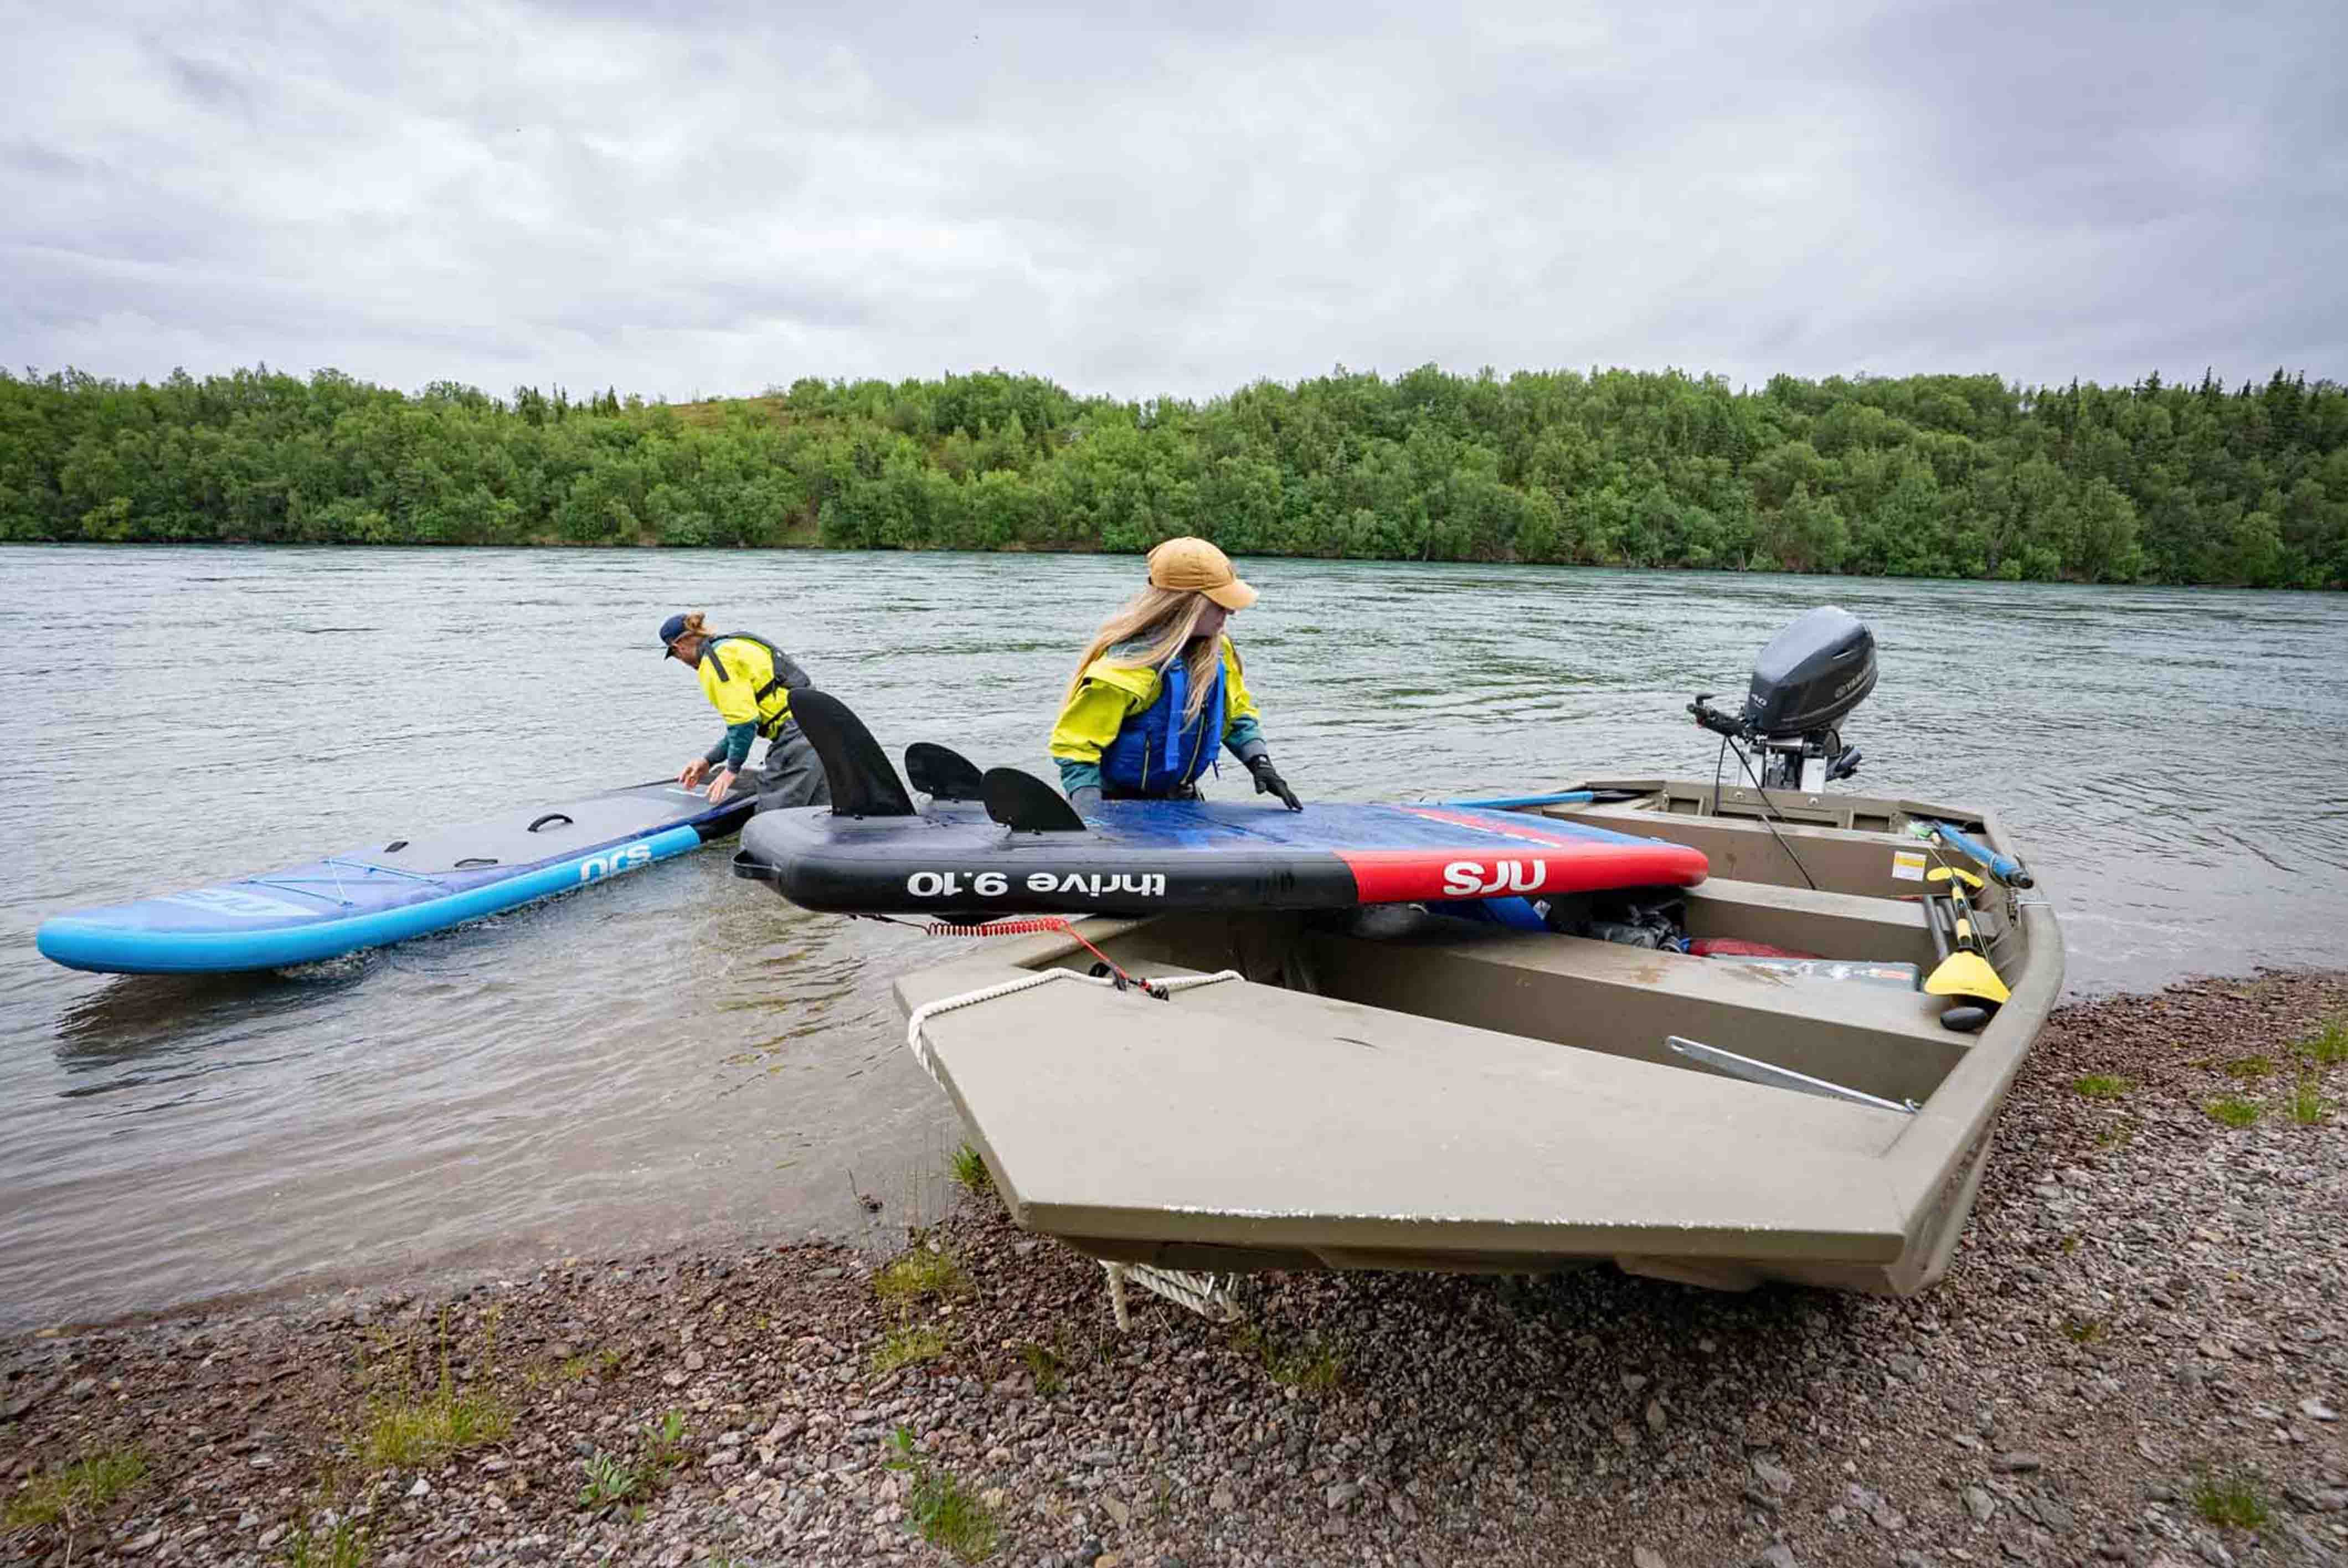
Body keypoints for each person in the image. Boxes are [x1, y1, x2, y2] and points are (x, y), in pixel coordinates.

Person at [1048, 537, 1302, 813]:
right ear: (1185, 605)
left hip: (1181, 802)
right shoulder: (1129, 667)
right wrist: (1089, 812)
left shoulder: (1219, 650)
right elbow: (1076, 747)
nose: (1231, 610)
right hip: (1119, 806)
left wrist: (1260, 763)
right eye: (1219, 603)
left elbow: (1236, 714)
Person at [658, 612, 832, 811]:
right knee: (817, 815)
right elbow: (743, 724)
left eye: (676, 655)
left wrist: (731, 770)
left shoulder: (714, 663)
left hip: (798, 740)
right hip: (822, 729)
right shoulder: (736, 644)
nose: (682, 661)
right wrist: (709, 760)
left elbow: (743, 724)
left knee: (770, 821)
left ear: (678, 647)